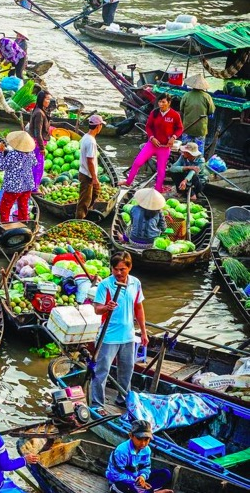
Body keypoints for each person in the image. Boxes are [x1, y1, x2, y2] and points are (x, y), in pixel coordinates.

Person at [91, 251, 146, 412]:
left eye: (122, 269)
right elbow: (97, 309)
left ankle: (122, 399)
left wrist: (143, 332)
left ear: (129, 268)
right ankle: (97, 404)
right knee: (101, 371)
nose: (119, 273)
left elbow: (138, 307)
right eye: (115, 269)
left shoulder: (135, 283)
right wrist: (106, 307)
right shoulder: (105, 285)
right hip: (108, 337)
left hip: (128, 335)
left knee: (127, 370)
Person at [120, 94, 183, 193]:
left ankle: (158, 189)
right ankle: (128, 182)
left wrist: (174, 137)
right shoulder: (154, 113)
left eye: (163, 102)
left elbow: (179, 128)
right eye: (159, 102)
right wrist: (152, 137)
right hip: (152, 144)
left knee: (161, 170)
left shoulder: (175, 115)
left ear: (169, 103)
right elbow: (148, 127)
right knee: (137, 162)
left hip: (164, 147)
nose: (161, 104)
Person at [107, 420, 174, 493]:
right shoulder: (121, 451)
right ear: (131, 436)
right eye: (139, 439)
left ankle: (146, 491)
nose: (143, 443)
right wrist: (137, 482)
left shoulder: (147, 450)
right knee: (127, 488)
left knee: (165, 474)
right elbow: (116, 475)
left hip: (137, 478)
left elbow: (146, 467)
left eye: (146, 439)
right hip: (121, 481)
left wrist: (142, 477)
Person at [0, 131, 37, 222]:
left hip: (14, 187)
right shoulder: (31, 153)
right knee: (23, 208)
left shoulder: (13, 154)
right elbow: (34, 163)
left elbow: (1, 167)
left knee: (4, 209)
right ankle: (24, 225)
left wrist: (0, 152)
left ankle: (6, 226)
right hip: (27, 185)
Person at [78, 114, 106, 219]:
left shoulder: (86, 137)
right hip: (87, 175)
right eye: (101, 125)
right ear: (98, 126)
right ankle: (79, 220)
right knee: (84, 202)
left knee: (95, 193)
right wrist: (94, 178)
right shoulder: (91, 141)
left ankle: (87, 214)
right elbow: (90, 161)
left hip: (84, 172)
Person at [179, 74, 215, 154]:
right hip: (200, 129)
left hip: (188, 127)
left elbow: (181, 109)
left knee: (185, 150)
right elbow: (211, 111)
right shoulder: (207, 97)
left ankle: (184, 164)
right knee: (199, 151)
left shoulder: (186, 95)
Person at [28, 92, 52, 193]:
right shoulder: (39, 113)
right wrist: (42, 147)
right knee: (38, 167)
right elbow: (38, 132)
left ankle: (33, 186)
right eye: (47, 99)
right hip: (37, 144)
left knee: (36, 166)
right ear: (41, 100)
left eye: (49, 99)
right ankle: (34, 188)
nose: (48, 101)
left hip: (37, 143)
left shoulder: (40, 111)